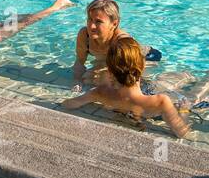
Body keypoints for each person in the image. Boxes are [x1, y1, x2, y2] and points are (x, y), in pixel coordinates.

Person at [60, 37, 193, 139]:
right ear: (142, 67)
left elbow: (69, 104)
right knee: (186, 80)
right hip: (150, 107)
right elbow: (182, 132)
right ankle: (206, 77)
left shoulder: (101, 92)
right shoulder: (161, 101)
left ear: (110, 71)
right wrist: (184, 111)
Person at [72, 0, 155, 90]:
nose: (91, 26)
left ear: (114, 24)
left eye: (98, 21)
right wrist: (77, 81)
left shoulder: (121, 42)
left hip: (147, 57)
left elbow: (130, 73)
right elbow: (79, 61)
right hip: (111, 60)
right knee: (88, 79)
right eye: (90, 19)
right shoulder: (85, 35)